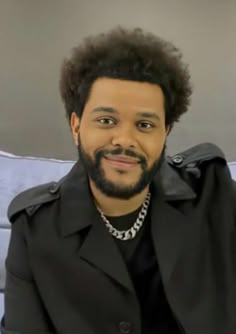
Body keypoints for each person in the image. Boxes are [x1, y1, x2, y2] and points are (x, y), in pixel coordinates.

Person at [1, 27, 235, 334]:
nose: (125, 140)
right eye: (106, 120)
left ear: (165, 132)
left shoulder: (210, 191)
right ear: (76, 126)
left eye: (144, 124)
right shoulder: (35, 229)